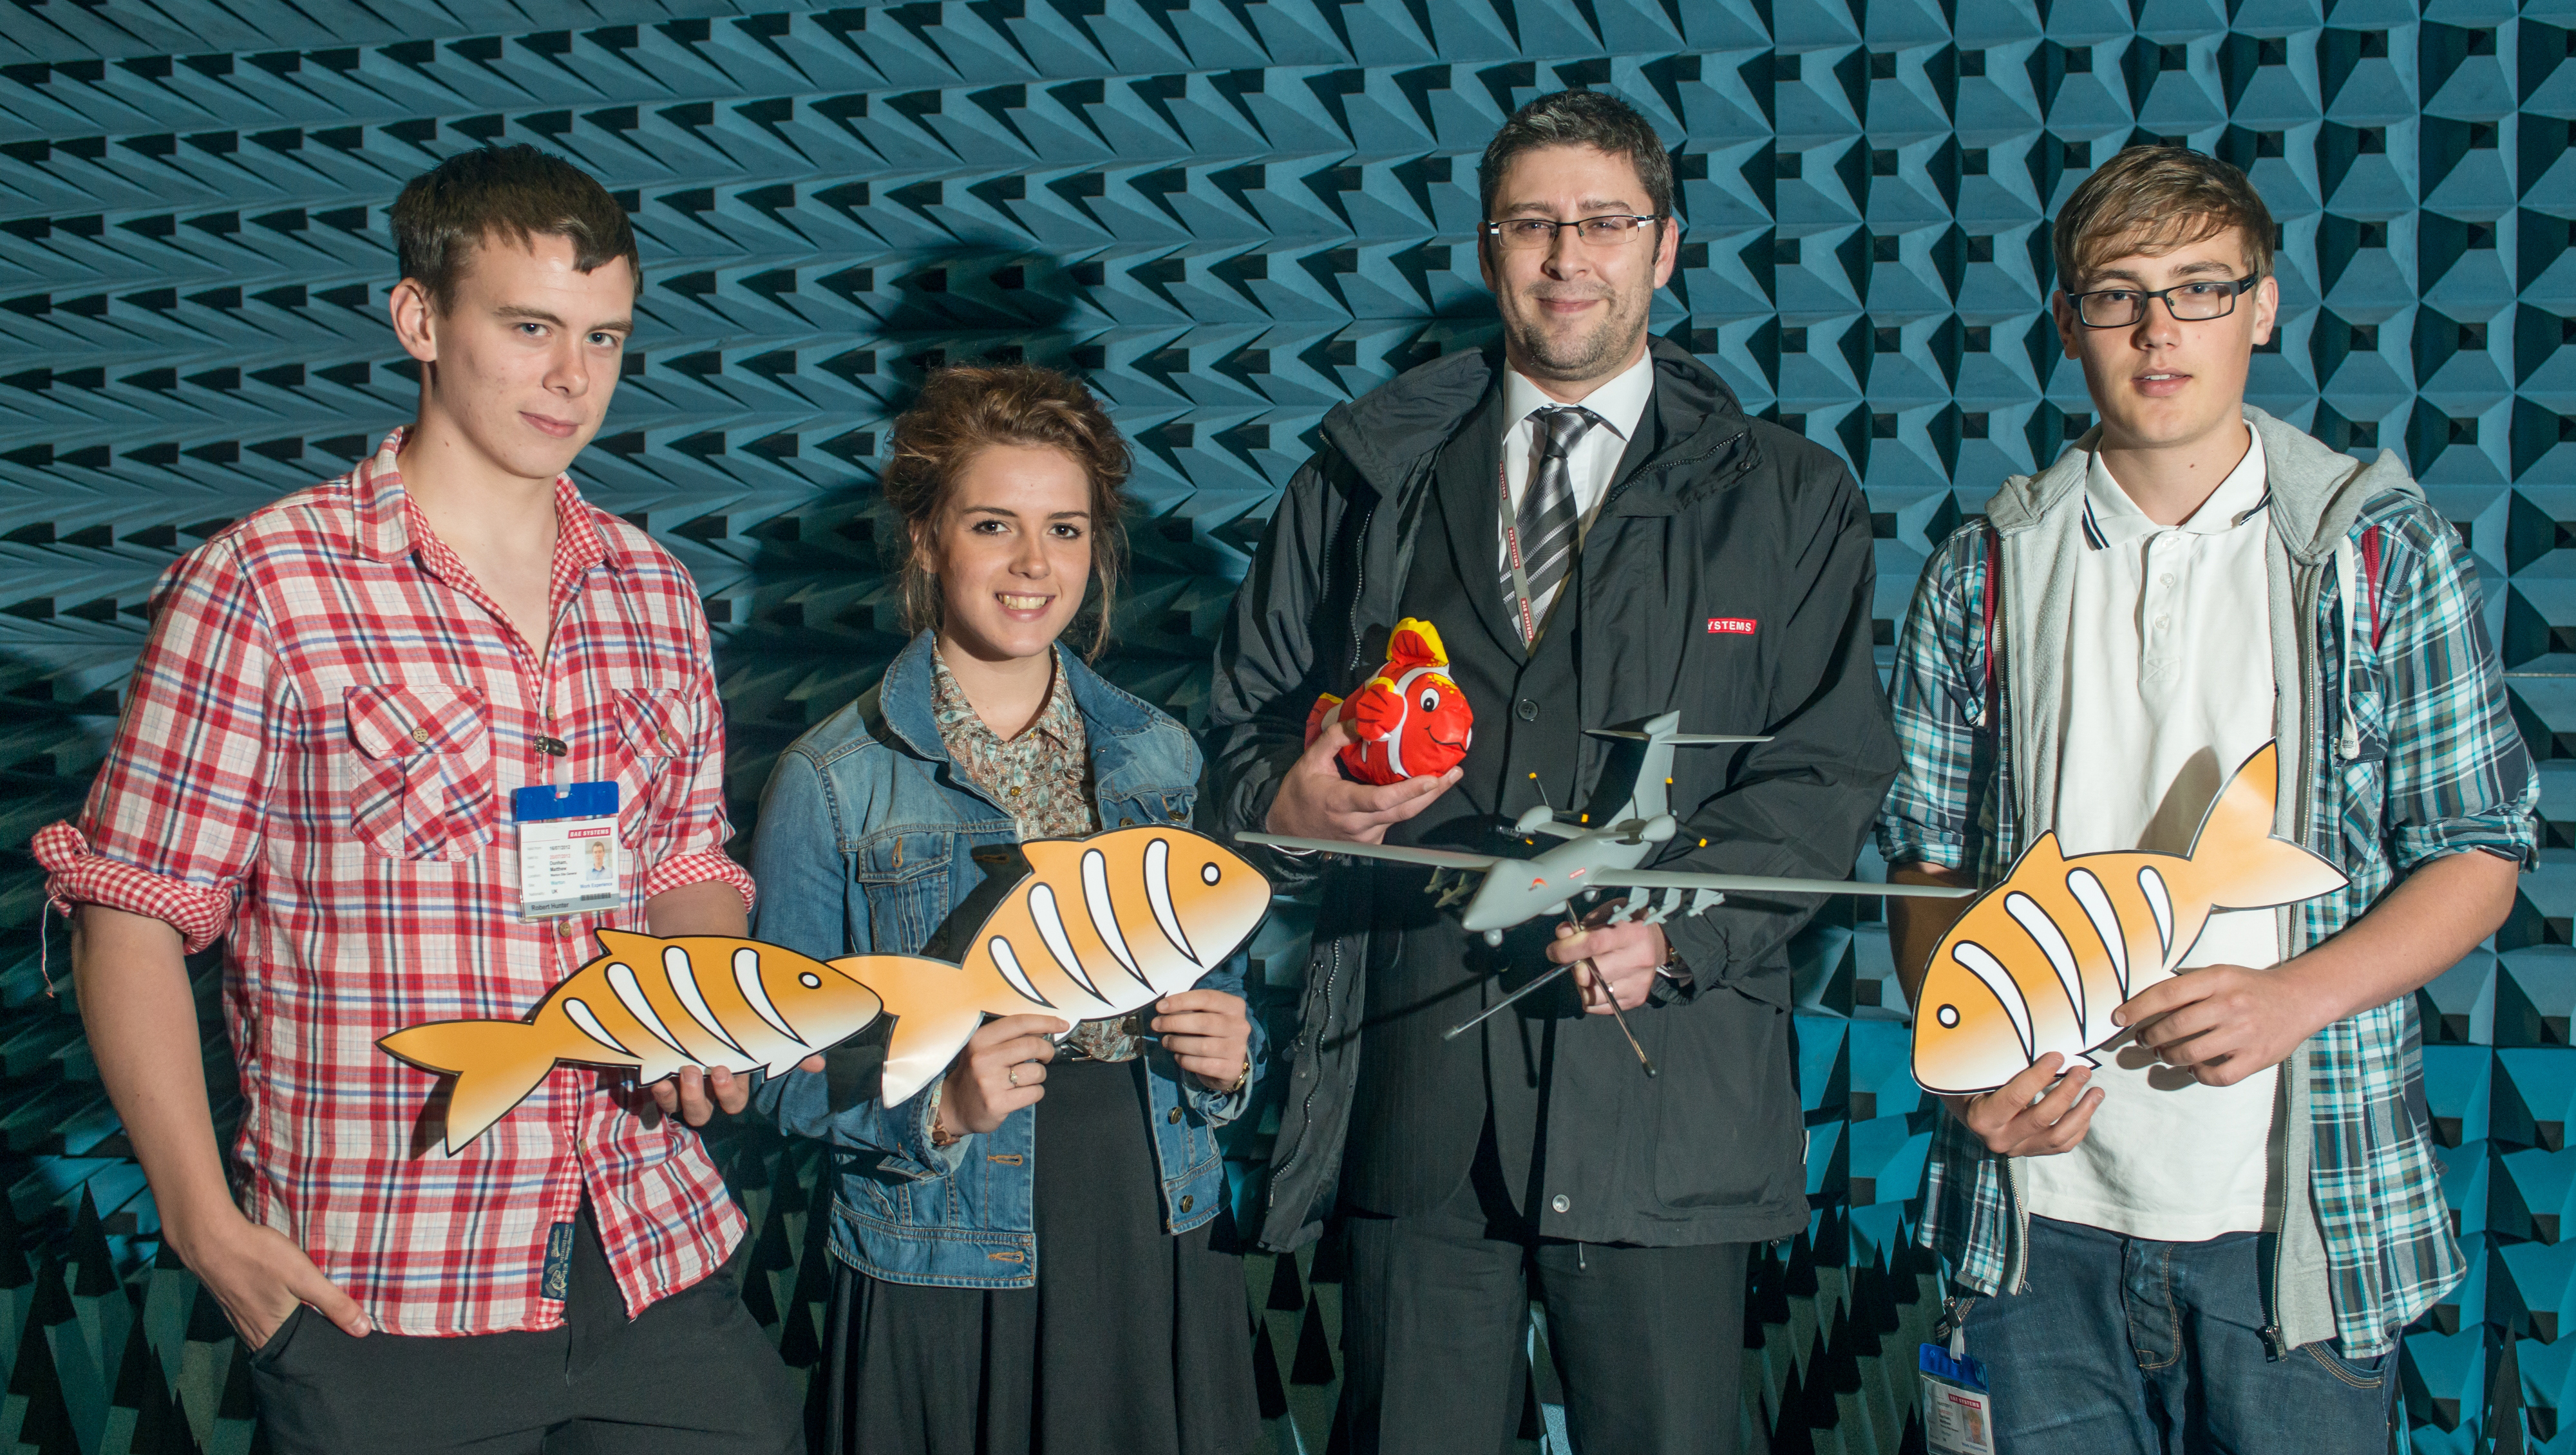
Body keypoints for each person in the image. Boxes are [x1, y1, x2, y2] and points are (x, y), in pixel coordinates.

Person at [33, 145, 802, 1452]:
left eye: (604, 336)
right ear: (419, 320)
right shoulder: (266, 586)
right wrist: (202, 1222)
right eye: (530, 328)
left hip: (649, 1247)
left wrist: (699, 996)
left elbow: (682, 853)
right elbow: (134, 911)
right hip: (384, 1283)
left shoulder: (650, 589)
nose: (572, 377)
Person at [1207, 89, 1897, 1454]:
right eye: (1531, 223)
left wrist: (1677, 919)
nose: (1565, 257)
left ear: (1666, 245)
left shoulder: (1788, 498)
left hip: (1663, 1106)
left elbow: (1824, 776)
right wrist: (1284, 805)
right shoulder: (1361, 479)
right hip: (1419, 1108)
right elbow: (1239, 735)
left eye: (1601, 222)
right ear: (1484, 248)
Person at [1879, 145, 2536, 1450]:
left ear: (2263, 305)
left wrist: (2293, 995)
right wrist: (1966, 1066)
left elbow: (2481, 845)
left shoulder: (2376, 550)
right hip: (2034, 1227)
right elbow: (1923, 857)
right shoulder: (1982, 571)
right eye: (2117, 293)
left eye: (2196, 287)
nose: (2157, 328)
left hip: (2290, 1234)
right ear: (2065, 322)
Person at [747, 364, 1263, 1455]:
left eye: (1066, 530)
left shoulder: (1163, 760)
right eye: (995, 525)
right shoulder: (832, 780)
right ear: (928, 540)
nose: (1035, 566)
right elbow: (774, 1072)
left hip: (1150, 1213)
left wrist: (1232, 1059)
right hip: (945, 1237)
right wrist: (937, 1109)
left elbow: (1219, 1001)